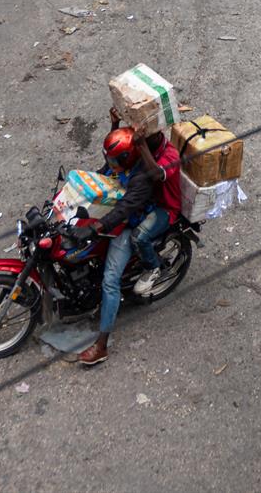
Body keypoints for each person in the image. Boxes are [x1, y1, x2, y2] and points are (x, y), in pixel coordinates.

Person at [76, 126, 181, 368]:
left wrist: (96, 226)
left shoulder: (156, 164)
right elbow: (105, 170)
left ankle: (101, 345)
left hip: (160, 211)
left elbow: (130, 204)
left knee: (111, 278)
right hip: (129, 209)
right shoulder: (131, 159)